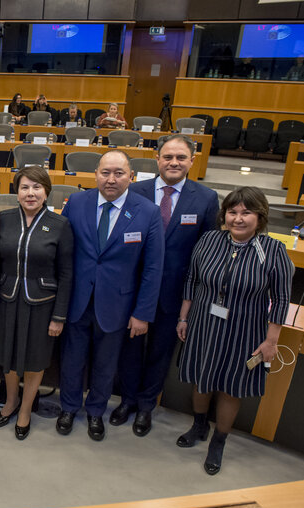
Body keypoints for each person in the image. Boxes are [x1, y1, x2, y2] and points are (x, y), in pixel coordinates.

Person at [176, 187, 293, 475]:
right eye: (232, 212)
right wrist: (184, 317)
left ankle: (218, 440)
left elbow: (280, 298)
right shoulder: (209, 239)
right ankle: (199, 425)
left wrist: (271, 341)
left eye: (246, 213)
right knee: (201, 377)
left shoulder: (273, 250)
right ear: (224, 214)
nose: (238, 219)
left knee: (231, 386)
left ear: (260, 216)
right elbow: (192, 279)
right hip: (203, 321)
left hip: (245, 329)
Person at [113, 134, 219, 436]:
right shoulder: (136, 191)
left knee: (160, 353)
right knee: (130, 351)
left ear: (191, 161)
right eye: (168, 157)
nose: (174, 163)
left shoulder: (206, 198)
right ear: (157, 159)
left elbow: (207, 250)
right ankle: (128, 400)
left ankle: (146, 406)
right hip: (133, 290)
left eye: (181, 158)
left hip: (175, 295)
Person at [57, 150, 163, 441]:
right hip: (77, 300)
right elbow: (62, 252)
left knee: (106, 364)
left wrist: (142, 313)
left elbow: (153, 268)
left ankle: (95, 413)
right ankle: (68, 407)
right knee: (71, 359)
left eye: (119, 173)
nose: (112, 179)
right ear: (96, 174)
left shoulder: (147, 212)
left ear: (131, 176)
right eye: (106, 172)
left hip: (118, 304)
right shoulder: (77, 202)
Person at [0, 166, 73, 440]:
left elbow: (66, 273)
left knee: (35, 359)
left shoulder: (59, 224)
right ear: (16, 192)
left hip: (42, 303)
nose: (30, 193)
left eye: (37, 187)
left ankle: (26, 408)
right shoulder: (4, 219)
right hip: (7, 299)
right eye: (24, 187)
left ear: (46, 191)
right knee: (9, 355)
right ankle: (11, 400)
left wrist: (59, 315)